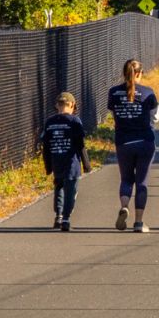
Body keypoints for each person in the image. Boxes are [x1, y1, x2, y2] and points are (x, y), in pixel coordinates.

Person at [108, 59, 159, 233]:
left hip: (124, 141)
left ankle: (124, 206)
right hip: (145, 141)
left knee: (126, 179)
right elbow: (155, 117)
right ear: (139, 73)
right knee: (142, 182)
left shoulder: (114, 93)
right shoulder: (148, 93)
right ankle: (139, 222)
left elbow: (114, 113)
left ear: (124, 73)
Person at [38, 92, 91, 232]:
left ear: (57, 105)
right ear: (72, 105)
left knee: (59, 187)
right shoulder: (74, 121)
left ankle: (58, 216)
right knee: (71, 190)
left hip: (56, 161)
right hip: (71, 162)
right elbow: (80, 144)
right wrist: (86, 164)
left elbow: (46, 147)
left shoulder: (49, 122)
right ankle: (66, 218)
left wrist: (48, 165)